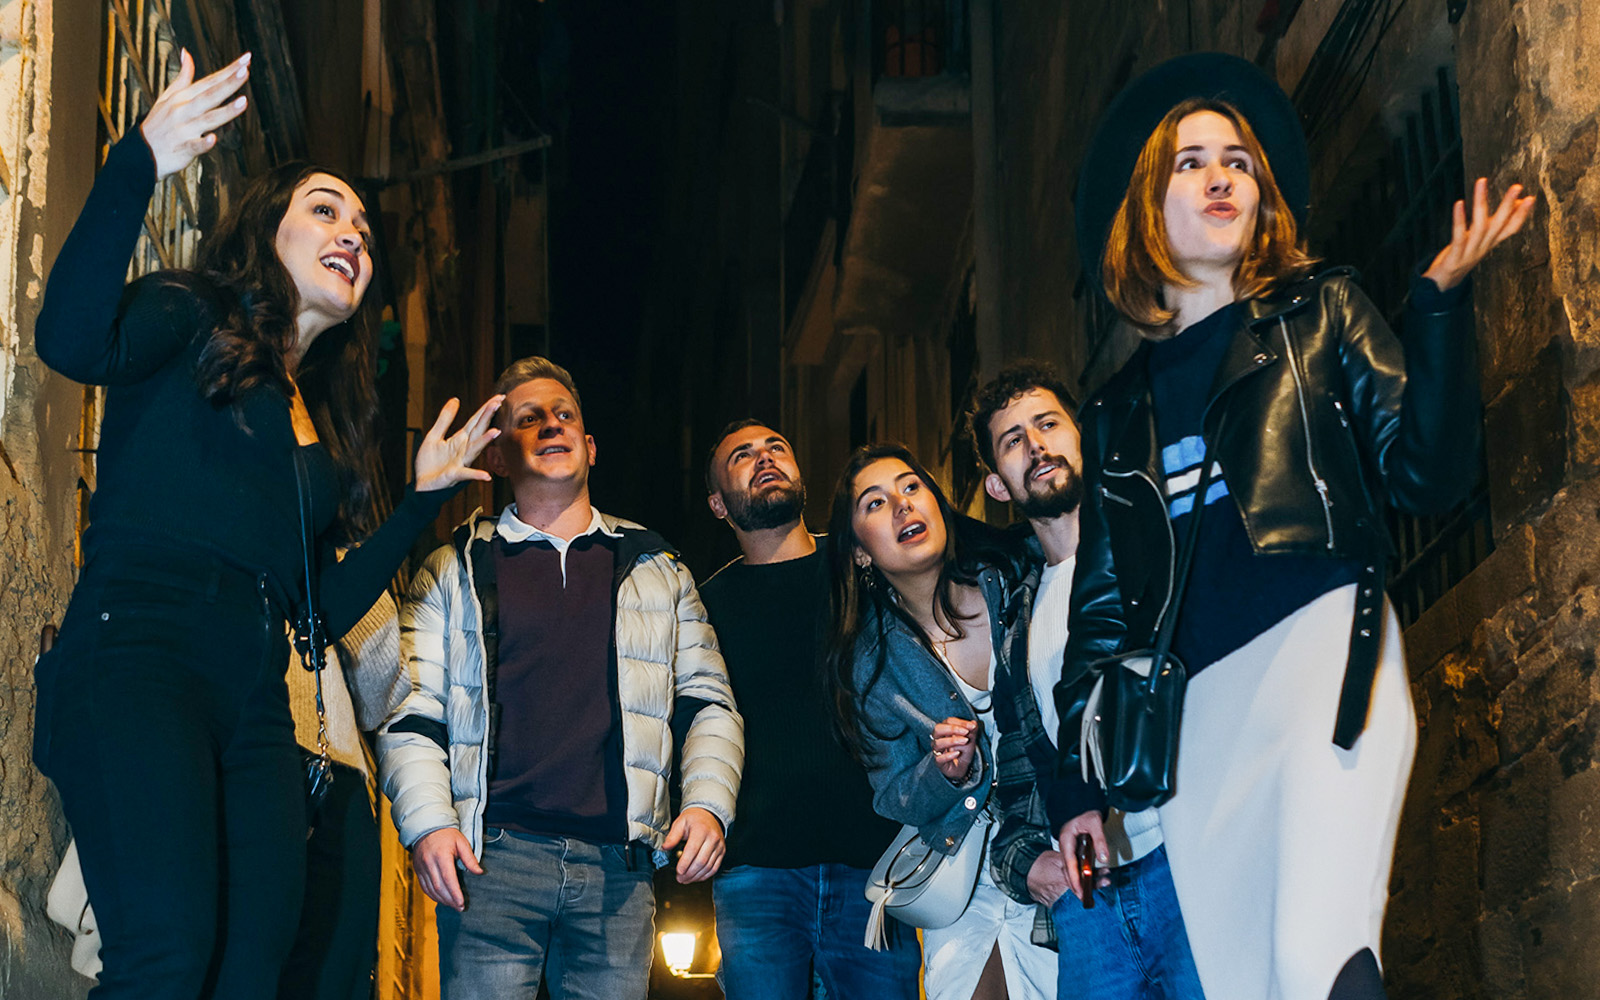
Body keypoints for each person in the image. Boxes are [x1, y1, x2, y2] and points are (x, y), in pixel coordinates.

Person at [1058, 52, 1535, 1000]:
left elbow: (1427, 476)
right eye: (1189, 162)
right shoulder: (1117, 412)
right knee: (1249, 987)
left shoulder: (1322, 312)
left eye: (1236, 158)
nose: (1221, 174)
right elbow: (1101, 613)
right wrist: (1080, 790)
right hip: (1196, 722)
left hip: (1320, 653)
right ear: (1147, 209)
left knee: (1317, 959)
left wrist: (1437, 311)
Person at [30, 50, 503, 1000]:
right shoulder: (192, 311)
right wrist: (139, 163)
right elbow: (68, 340)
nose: (353, 234)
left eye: (364, 227)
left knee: (252, 976)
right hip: (140, 648)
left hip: (251, 693)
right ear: (267, 228)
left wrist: (416, 505)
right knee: (165, 956)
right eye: (326, 210)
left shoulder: (312, 425)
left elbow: (315, 608)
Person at [376, 356, 744, 999]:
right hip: (490, 864)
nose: (551, 425)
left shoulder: (657, 569)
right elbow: (411, 711)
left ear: (590, 447)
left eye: (565, 414)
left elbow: (709, 703)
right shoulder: (452, 569)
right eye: (529, 418)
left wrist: (709, 804)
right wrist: (429, 823)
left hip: (617, 874)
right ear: (496, 455)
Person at [970, 362, 1203, 999]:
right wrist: (1027, 867)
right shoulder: (1014, 621)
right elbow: (1016, 774)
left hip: (1189, 864)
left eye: (1048, 424)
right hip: (1088, 901)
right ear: (998, 483)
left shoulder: (1155, 546)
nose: (1037, 445)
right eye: (1013, 440)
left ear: (1081, 438)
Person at [824, 444, 1056, 1000]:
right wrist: (944, 773)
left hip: (1060, 834)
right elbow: (893, 795)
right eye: (876, 503)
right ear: (859, 552)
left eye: (911, 488)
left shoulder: (1019, 576)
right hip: (966, 874)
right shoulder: (869, 662)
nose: (903, 507)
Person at [700, 420, 921, 999]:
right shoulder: (705, 607)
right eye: (742, 455)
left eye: (777, 447)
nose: (765, 457)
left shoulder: (861, 569)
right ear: (718, 503)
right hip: (757, 870)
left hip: (874, 866)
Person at [280, 590, 405, 1000]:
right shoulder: (316, 552)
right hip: (324, 765)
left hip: (213, 757)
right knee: (328, 977)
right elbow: (376, 698)